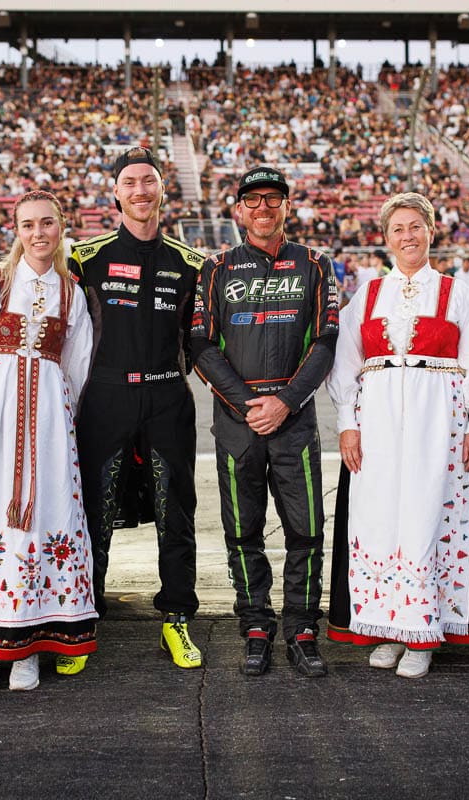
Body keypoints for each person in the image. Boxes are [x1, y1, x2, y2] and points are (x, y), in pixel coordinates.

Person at [325, 193, 469, 679]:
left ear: (431, 232)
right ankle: (386, 625)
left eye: (416, 227)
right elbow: (345, 362)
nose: (408, 236)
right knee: (380, 516)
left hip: (437, 421)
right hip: (378, 418)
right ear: (386, 239)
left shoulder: (456, 293)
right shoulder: (369, 294)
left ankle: (423, 630)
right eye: (398, 229)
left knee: (428, 514)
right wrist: (348, 423)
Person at [0, 191, 97, 692]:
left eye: (47, 223)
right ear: (17, 230)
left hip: (49, 425)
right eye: (28, 224)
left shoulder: (72, 294)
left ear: (61, 227)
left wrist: (56, 420)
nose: (38, 233)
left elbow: (76, 367)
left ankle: (28, 648)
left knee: (46, 520)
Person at [190, 166, 339, 678]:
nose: (262, 208)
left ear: (285, 208)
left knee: (307, 530)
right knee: (242, 530)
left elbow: (324, 342)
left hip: (294, 421)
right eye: (252, 200)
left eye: (272, 199)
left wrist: (286, 402)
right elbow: (200, 345)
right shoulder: (215, 268)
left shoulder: (316, 266)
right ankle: (255, 628)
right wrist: (249, 404)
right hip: (237, 422)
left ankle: (302, 629)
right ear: (238, 211)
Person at [69, 146, 205, 673]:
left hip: (169, 396)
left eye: (149, 181)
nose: (140, 191)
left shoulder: (189, 263)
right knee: (93, 512)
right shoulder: (85, 257)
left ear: (162, 190)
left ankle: (177, 618)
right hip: (106, 396)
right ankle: (82, 617)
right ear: (116, 193)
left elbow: (202, 342)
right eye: (130, 182)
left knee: (178, 512)